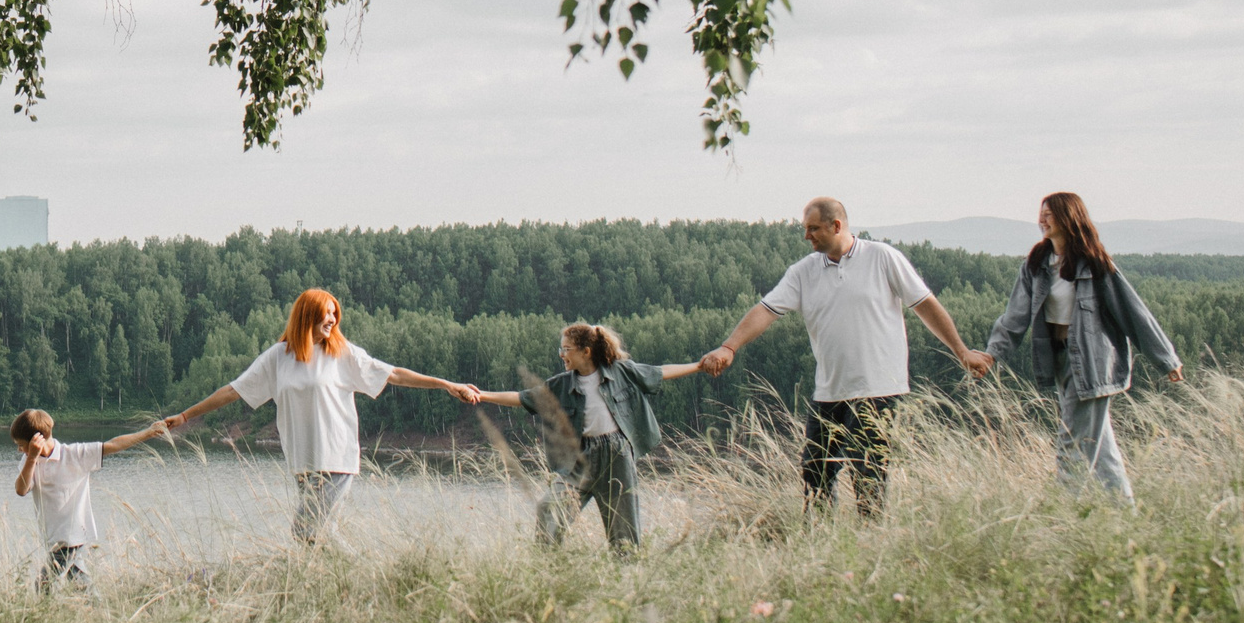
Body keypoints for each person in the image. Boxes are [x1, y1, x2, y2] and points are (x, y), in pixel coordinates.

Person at [700, 197, 991, 518]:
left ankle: (869, 547)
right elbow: (766, 311)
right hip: (829, 393)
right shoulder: (802, 272)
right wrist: (729, 347)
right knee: (814, 475)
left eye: (813, 229)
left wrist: (961, 351)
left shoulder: (883, 258)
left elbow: (925, 305)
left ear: (836, 226)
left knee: (868, 477)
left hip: (877, 389)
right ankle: (822, 546)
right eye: (805, 229)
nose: (807, 236)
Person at [162, 288, 477, 544]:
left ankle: (356, 583)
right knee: (323, 536)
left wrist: (447, 385)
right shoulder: (278, 358)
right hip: (304, 464)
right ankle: (349, 585)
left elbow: (393, 374)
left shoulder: (341, 353)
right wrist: (186, 416)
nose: (332, 319)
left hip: (336, 459)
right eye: (325, 313)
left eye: (334, 313)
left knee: (304, 533)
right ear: (306, 316)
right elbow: (233, 391)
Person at [984, 192, 1182, 504]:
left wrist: (1165, 358)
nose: (1042, 219)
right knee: (1102, 449)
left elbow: (1132, 311)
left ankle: (1063, 518)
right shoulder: (1036, 265)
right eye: (1041, 213)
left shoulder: (1094, 265)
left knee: (1071, 445)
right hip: (1059, 360)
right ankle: (1123, 514)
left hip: (1090, 362)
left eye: (1049, 214)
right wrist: (992, 353)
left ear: (1069, 218)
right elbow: (1015, 317)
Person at [472, 323, 708, 550]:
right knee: (549, 507)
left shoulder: (621, 371)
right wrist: (481, 395)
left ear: (586, 351)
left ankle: (626, 577)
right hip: (580, 458)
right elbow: (522, 397)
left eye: (566, 349)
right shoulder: (561, 384)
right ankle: (546, 567)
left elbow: (660, 373)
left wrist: (699, 365)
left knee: (623, 530)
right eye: (560, 349)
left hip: (617, 456)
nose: (561, 354)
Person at [10, 407, 169, 588]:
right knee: (81, 586)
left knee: (43, 585)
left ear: (36, 440)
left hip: (71, 538)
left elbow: (114, 445)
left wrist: (148, 432)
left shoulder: (75, 455)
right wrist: (31, 458)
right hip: (54, 539)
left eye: (21, 444)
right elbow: (21, 490)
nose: (19, 449)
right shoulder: (28, 461)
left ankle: (46, 613)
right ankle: (99, 611)